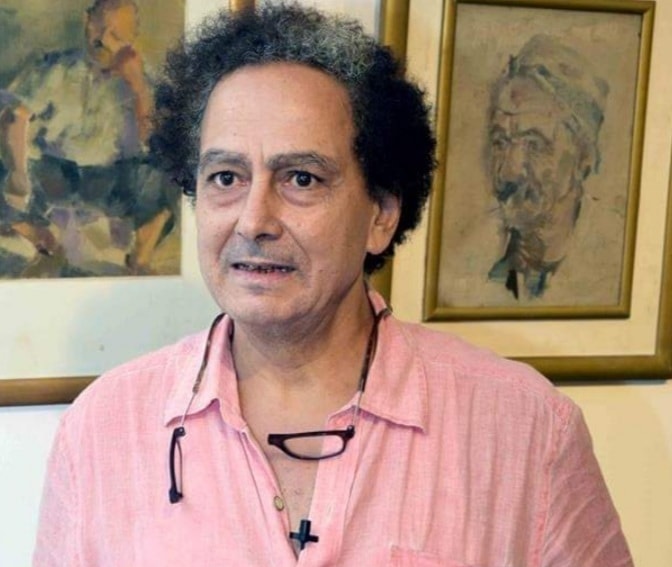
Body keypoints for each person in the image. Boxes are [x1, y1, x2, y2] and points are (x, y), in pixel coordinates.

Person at [33, 5, 633, 566]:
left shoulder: (527, 431)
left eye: (301, 178)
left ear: (381, 215)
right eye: (226, 177)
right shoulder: (102, 432)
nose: (253, 221)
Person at [0, 0, 179, 277]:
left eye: (116, 35)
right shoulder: (55, 67)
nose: (104, 40)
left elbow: (154, 141)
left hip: (110, 178)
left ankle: (140, 258)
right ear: (87, 21)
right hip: (54, 171)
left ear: (132, 38)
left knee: (166, 175)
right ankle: (41, 239)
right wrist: (18, 174)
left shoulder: (142, 80)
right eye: (100, 28)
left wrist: (138, 88)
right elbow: (15, 116)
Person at [487, 35, 609, 299]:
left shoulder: (605, 272)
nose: (508, 172)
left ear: (583, 159)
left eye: (534, 144)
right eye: (500, 142)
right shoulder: (479, 269)